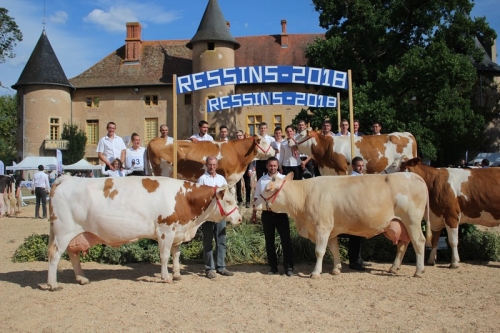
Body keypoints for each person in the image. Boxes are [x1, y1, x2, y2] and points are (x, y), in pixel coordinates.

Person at [252, 157, 294, 276]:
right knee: (269, 242)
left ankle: (289, 267)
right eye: (270, 165)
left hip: (281, 214)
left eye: (275, 165)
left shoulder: (284, 179)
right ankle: (273, 267)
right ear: (266, 166)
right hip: (267, 214)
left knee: (286, 241)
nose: (273, 168)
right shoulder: (262, 180)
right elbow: (256, 198)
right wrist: (254, 214)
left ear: (278, 166)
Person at [197, 156, 234, 279]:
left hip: (220, 216)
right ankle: (209, 269)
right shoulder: (202, 179)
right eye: (209, 164)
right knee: (208, 242)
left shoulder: (221, 179)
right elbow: (199, 198)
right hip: (208, 216)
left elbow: (226, 196)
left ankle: (221, 267)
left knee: (221, 241)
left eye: (214, 165)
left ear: (217, 165)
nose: (212, 167)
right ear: (206, 165)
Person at [348, 156, 369, 271]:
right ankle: (353, 261)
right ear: (353, 166)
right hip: (354, 210)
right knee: (355, 236)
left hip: (361, 208)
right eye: (358, 166)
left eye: (362, 165)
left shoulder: (363, 177)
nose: (361, 168)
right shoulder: (352, 178)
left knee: (359, 235)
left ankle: (358, 259)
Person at [235, 130, 255, 208]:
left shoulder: (247, 146)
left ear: (243, 136)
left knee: (247, 185)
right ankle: (240, 201)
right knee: (238, 185)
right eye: (237, 136)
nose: (239, 137)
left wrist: (250, 169)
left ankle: (247, 201)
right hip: (237, 168)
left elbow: (251, 158)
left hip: (246, 167)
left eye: (240, 135)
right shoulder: (234, 146)